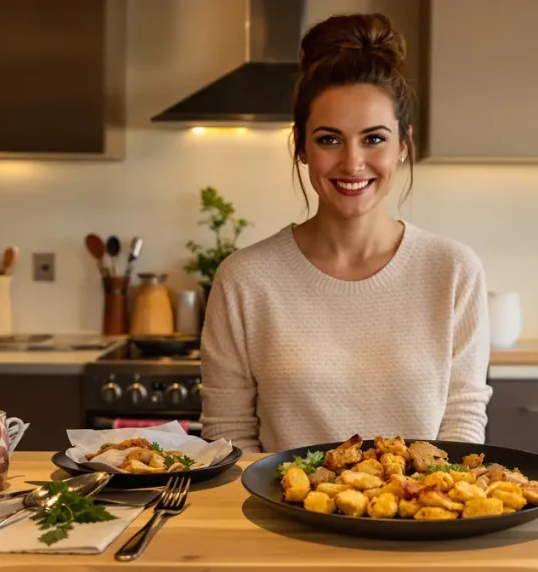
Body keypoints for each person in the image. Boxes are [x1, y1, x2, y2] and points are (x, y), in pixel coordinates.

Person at [199, 12, 492, 454]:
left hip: (420, 517)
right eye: (329, 139)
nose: (352, 163)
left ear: (403, 146)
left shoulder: (453, 271)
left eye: (373, 139)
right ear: (301, 146)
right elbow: (229, 438)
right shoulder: (244, 279)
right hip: (283, 518)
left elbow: (462, 420)